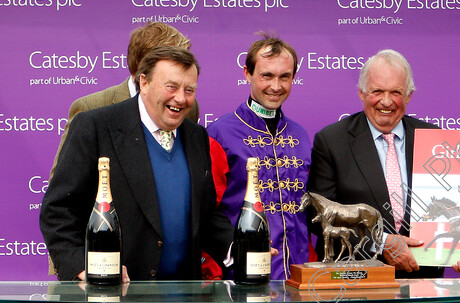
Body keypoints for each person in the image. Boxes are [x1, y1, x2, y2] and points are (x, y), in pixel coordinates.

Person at [40, 46, 234, 281]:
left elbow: (205, 216)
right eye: (171, 86)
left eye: (189, 90)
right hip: (115, 298)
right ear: (144, 82)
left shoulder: (196, 137)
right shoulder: (96, 127)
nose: (181, 98)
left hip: (184, 301)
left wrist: (239, 248)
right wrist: (82, 266)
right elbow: (58, 210)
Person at [308, 49, 460, 277]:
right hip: (354, 284)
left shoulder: (436, 141)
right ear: (361, 92)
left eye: (396, 92)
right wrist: (381, 242)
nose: (386, 101)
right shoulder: (332, 141)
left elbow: (449, 206)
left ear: (408, 95)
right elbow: (319, 218)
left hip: (422, 283)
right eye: (377, 91)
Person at [207, 34, 312, 280]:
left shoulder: (300, 135)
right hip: (241, 276)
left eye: (284, 76)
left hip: (299, 277)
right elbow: (206, 212)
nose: (276, 86)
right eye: (267, 75)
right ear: (247, 73)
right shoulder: (219, 133)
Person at [49, 21, 199, 179]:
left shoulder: (187, 107)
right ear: (143, 74)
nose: (180, 98)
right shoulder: (91, 109)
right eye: (173, 66)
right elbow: (63, 187)